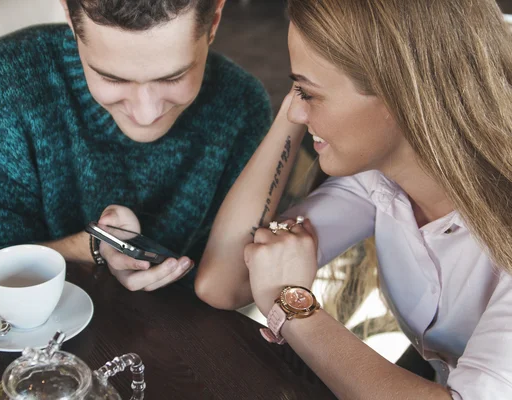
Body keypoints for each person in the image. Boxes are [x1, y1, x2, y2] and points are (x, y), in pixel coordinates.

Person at [194, 0, 512, 398]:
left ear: (400, 98)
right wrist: (300, 105)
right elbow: (223, 282)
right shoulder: (379, 177)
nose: (292, 110)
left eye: (308, 93)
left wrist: (296, 309)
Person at [0, 0, 272, 292]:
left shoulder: (243, 107)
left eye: (173, 78)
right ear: (71, 20)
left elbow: (228, 284)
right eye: (113, 79)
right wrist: (93, 248)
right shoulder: (7, 83)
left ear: (214, 19)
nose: (146, 114)